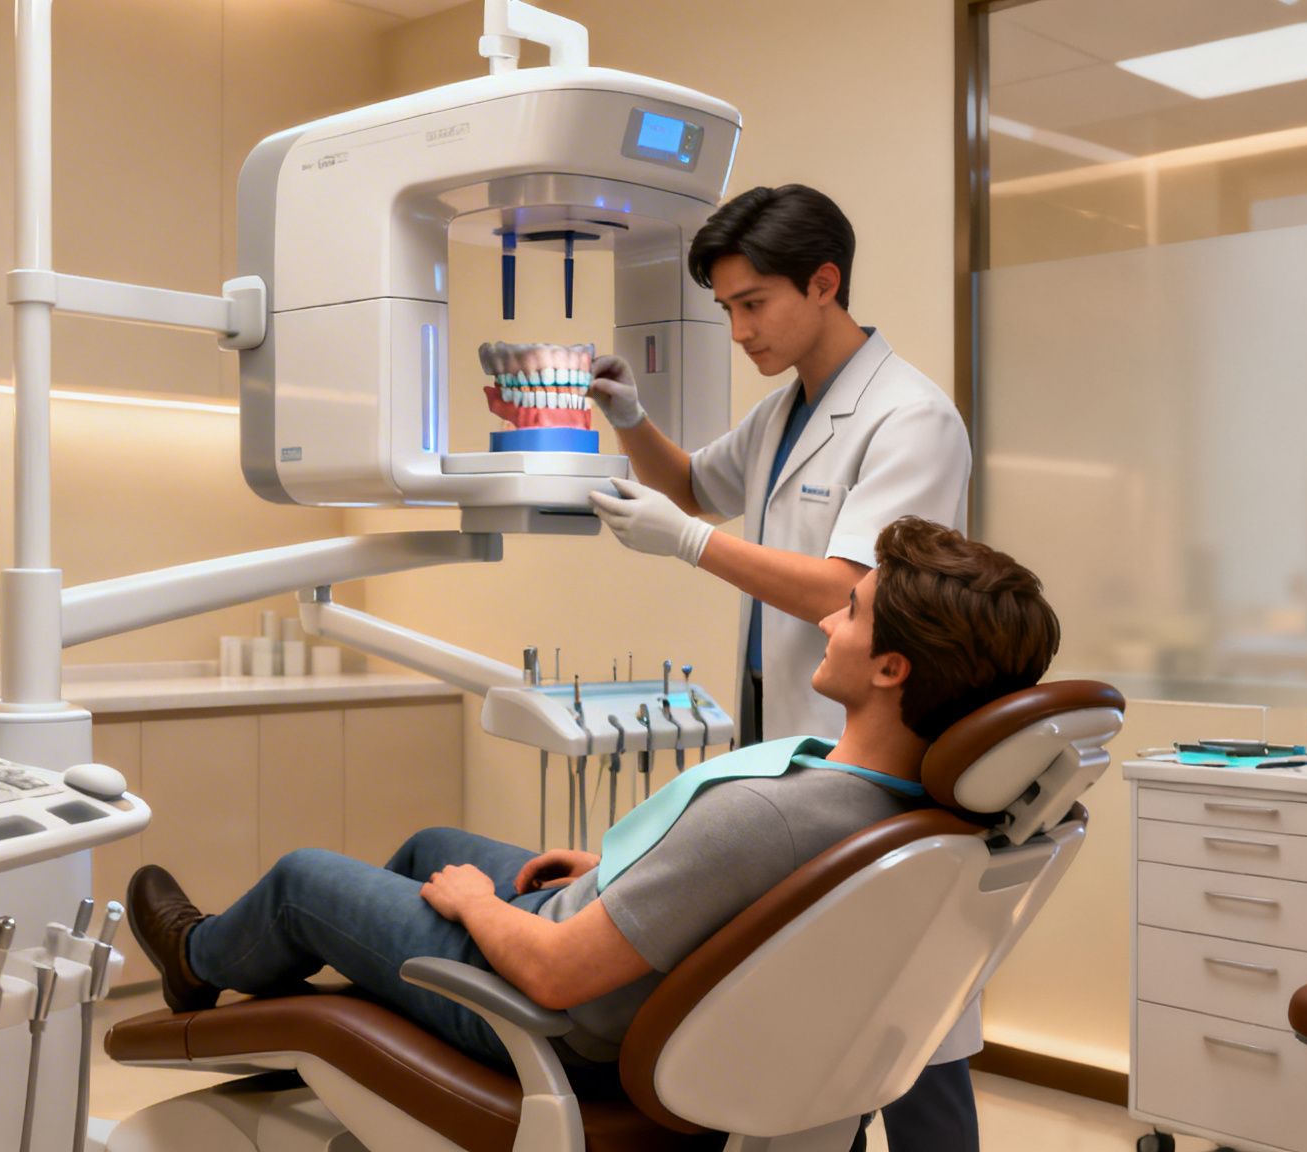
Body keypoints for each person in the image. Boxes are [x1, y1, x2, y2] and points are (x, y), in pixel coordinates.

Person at [125, 519, 1058, 1145]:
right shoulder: (898, 808)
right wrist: (625, 868)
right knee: (428, 846)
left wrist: (477, 906)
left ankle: (197, 960)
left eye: (850, 611)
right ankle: (337, 1012)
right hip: (617, 961)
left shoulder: (774, 816)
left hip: (552, 1018)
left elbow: (558, 973)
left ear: (892, 668)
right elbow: (734, 898)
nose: (826, 615)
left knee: (303, 881)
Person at [583, 184, 976, 1147]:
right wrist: (629, 418)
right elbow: (691, 485)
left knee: (908, 1028)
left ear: (824, 283)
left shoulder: (909, 419)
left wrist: (687, 545)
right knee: (827, 1024)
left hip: (873, 755)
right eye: (727, 308)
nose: (739, 330)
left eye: (753, 303)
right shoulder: (785, 412)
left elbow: (851, 590)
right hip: (794, 747)